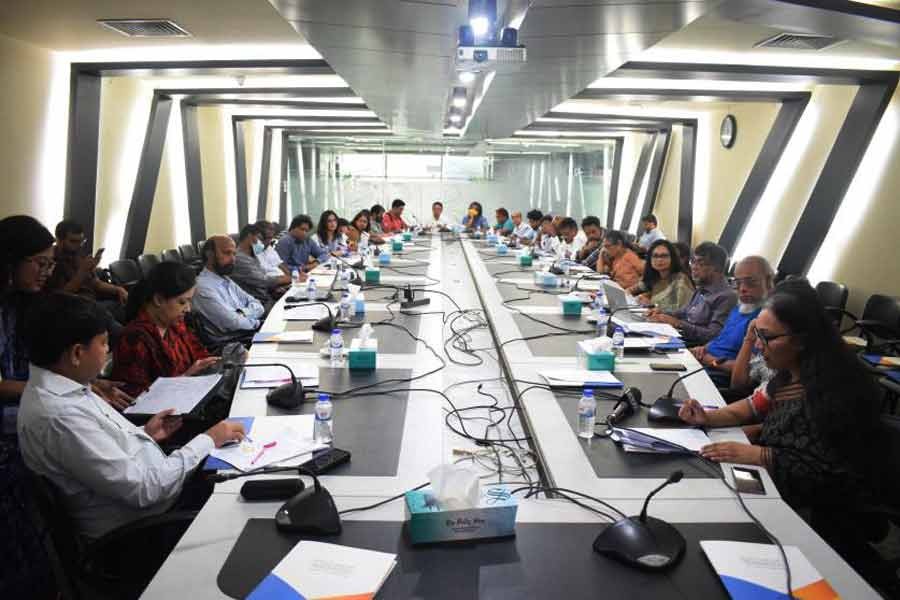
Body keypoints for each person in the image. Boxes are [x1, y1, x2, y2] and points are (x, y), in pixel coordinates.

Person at [677, 282, 885, 585]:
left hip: (824, 514)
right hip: (779, 487)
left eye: (766, 337)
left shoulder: (837, 392)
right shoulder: (788, 372)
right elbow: (746, 408)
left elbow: (830, 475)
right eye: (755, 334)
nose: (758, 345)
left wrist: (761, 454)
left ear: (801, 340)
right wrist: (706, 417)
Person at [17, 292, 245, 542]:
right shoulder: (58, 416)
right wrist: (208, 439)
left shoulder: (67, 385)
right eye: (104, 344)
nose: (108, 352)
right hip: (140, 532)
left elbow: (104, 455)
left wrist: (145, 434)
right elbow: (146, 490)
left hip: (154, 493)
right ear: (77, 354)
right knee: (245, 498)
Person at [112, 262, 220, 397]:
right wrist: (185, 378)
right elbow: (134, 398)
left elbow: (201, 356)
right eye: (182, 302)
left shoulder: (176, 324)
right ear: (158, 300)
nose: (188, 309)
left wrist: (221, 363)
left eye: (189, 301)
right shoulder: (134, 339)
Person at [689, 256, 774, 386]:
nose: (742, 289)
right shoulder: (739, 308)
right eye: (738, 283)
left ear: (768, 282)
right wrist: (703, 348)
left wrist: (709, 360)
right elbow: (722, 338)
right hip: (701, 364)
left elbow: (751, 371)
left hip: (715, 378)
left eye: (750, 282)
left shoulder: (766, 319)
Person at [47, 219, 128, 336]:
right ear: (59, 240)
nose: (78, 246)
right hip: (75, 310)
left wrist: (118, 289)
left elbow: (96, 283)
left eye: (81, 241)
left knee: (128, 305)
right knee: (113, 325)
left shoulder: (78, 256)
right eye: (73, 241)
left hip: (92, 303)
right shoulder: (51, 261)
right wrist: (82, 272)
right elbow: (59, 297)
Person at [648, 241, 736, 346]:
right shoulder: (702, 287)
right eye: (693, 262)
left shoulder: (726, 296)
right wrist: (662, 312)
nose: (694, 267)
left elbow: (713, 335)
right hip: (681, 337)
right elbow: (684, 311)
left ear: (717, 268)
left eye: (700, 263)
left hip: (695, 347)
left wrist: (678, 323)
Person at [192, 236, 266, 342]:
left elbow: (257, 304)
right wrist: (257, 322)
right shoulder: (202, 287)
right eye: (227, 253)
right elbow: (232, 323)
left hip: (250, 333)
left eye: (234, 254)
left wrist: (242, 313)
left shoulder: (226, 279)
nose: (233, 259)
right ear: (210, 254)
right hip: (235, 344)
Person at [231, 224, 290, 304]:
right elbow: (263, 281)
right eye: (260, 239)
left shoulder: (252, 257)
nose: (262, 243)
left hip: (266, 296)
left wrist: (275, 288)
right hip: (257, 302)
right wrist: (286, 279)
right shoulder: (240, 259)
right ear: (250, 236)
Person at [630, 240, 694, 311]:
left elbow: (682, 312)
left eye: (664, 256)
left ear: (673, 258)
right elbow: (630, 290)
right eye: (655, 256)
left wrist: (651, 305)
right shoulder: (654, 276)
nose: (659, 260)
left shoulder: (681, 280)